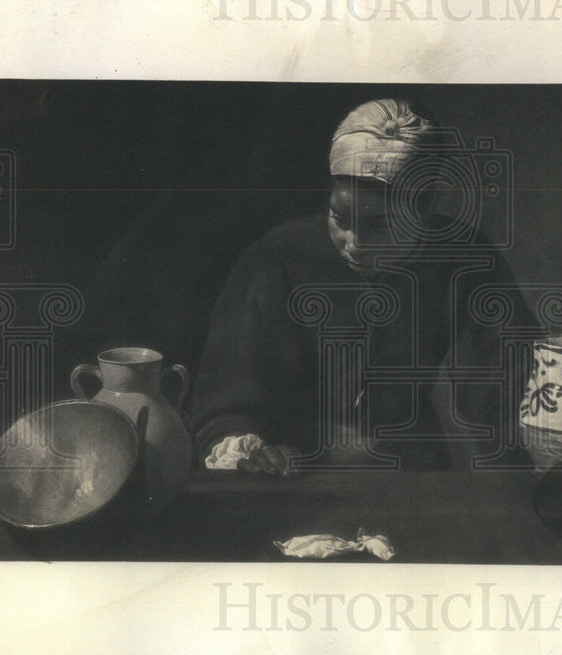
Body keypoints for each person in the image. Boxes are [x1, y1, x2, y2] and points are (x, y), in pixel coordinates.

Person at [187, 98, 540, 473]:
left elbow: (505, 388)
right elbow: (227, 397)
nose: (353, 243)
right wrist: (249, 451)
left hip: (412, 475)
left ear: (425, 207)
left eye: (378, 226)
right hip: (291, 473)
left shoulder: (464, 257)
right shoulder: (277, 257)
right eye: (340, 218)